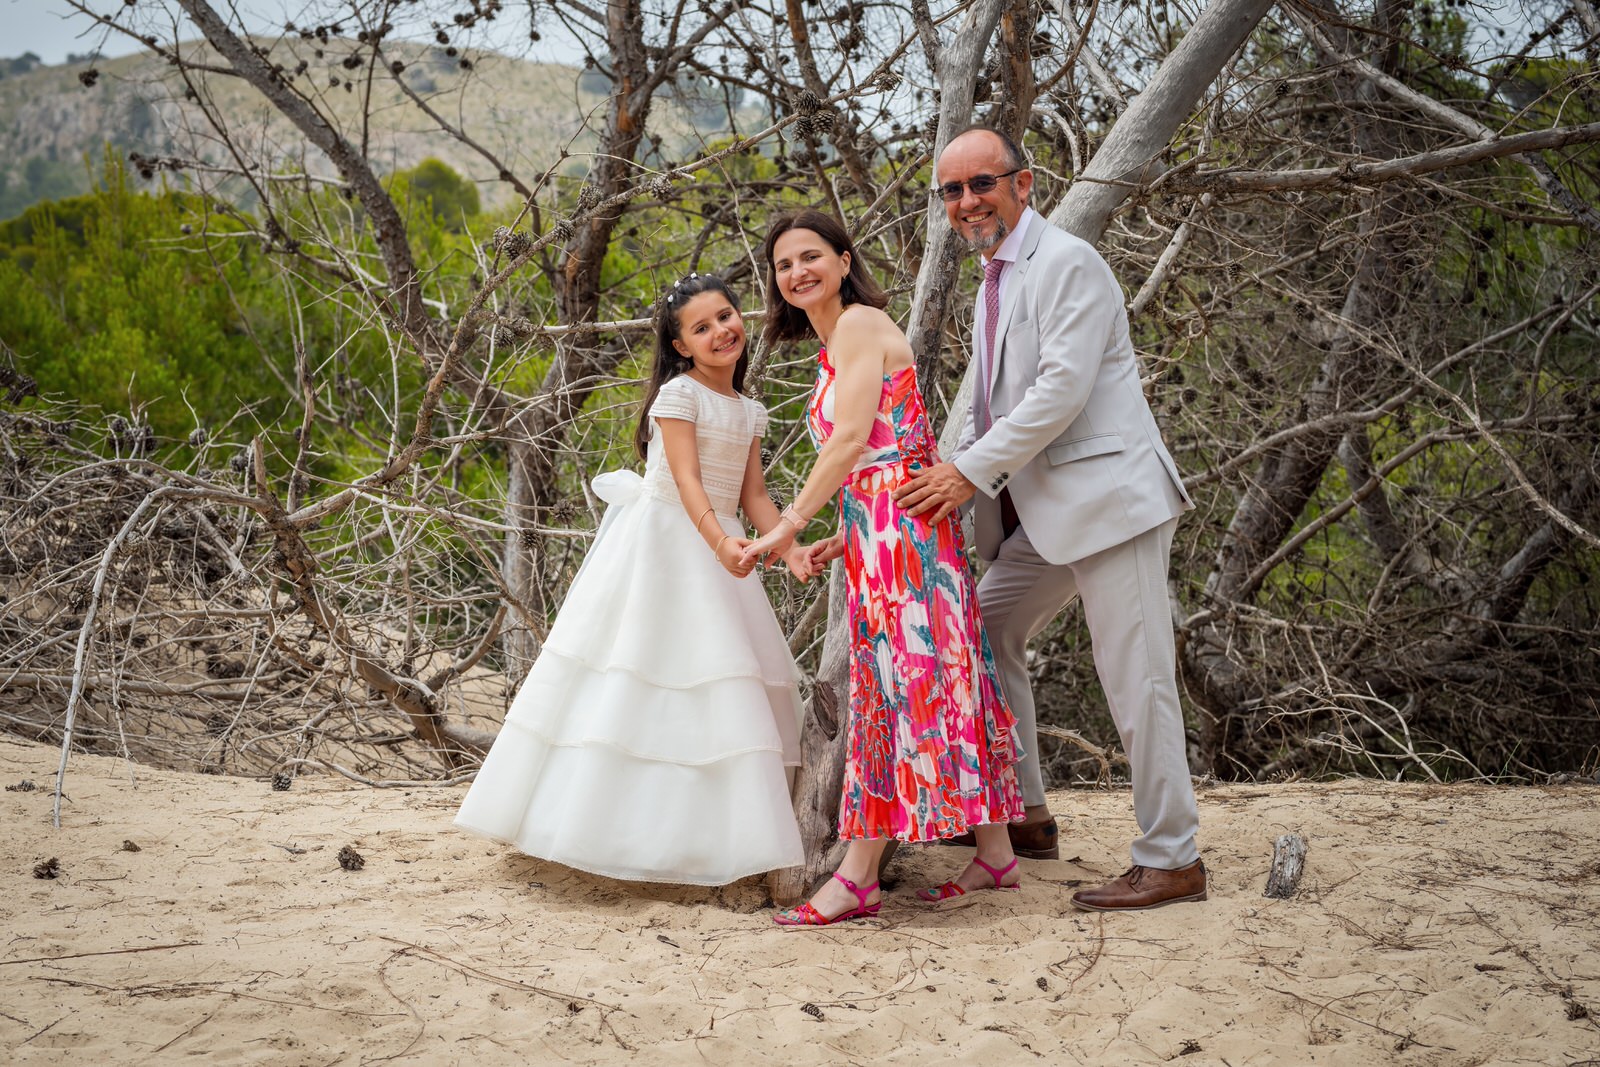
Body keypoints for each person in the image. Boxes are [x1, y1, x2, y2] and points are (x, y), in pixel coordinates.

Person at [895, 126, 1207, 911]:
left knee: (1138, 679)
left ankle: (1171, 858)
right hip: (1043, 515)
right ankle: (1025, 815)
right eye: (953, 190)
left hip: (1111, 503)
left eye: (982, 183)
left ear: (1023, 184)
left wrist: (965, 474)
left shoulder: (1067, 262)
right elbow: (987, 405)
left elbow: (1061, 392)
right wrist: (922, 480)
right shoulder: (994, 280)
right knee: (982, 628)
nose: (968, 202)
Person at [453, 272, 808, 886]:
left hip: (722, 542)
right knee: (644, 671)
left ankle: (711, 839)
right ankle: (605, 833)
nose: (721, 331)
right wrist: (719, 542)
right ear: (681, 346)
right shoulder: (679, 396)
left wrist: (789, 546)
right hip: (671, 541)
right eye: (701, 327)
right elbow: (688, 479)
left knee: (718, 682)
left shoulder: (750, 409)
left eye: (726, 316)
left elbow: (752, 492)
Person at [741, 209, 1026, 926]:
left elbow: (846, 445)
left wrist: (788, 524)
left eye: (811, 256)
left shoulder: (861, 324)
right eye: (783, 264)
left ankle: (858, 876)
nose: (797, 272)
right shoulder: (835, 343)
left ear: (844, 261)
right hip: (884, 531)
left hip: (905, 539)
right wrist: (846, 533)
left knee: (896, 688)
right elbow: (882, 454)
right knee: (933, 676)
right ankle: (995, 853)